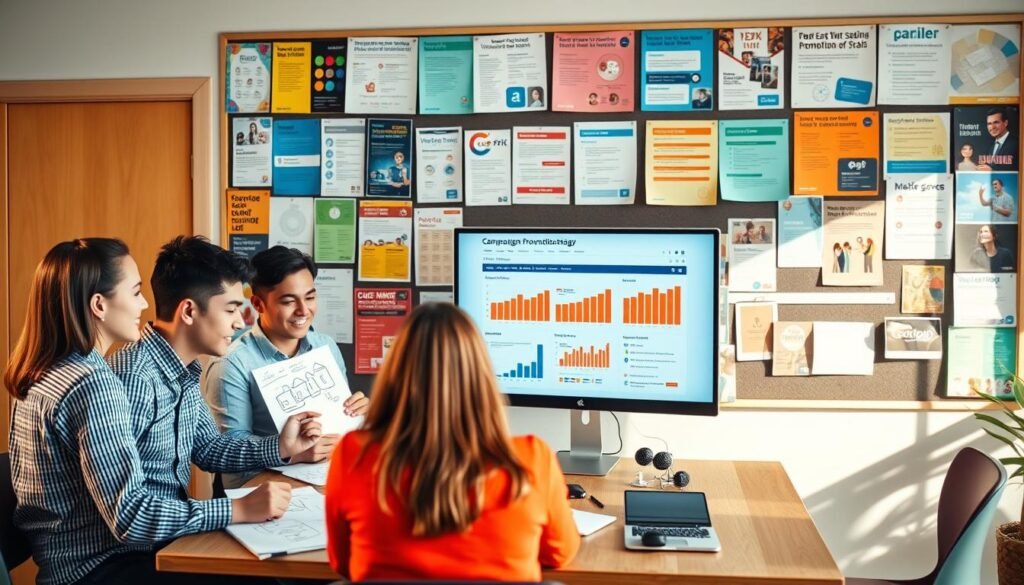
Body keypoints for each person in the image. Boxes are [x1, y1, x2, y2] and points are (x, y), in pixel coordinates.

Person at [6, 238, 317, 585]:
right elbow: (130, 517)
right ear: (99, 305)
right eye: (135, 291)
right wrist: (237, 509)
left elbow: (207, 447)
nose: (143, 304)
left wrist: (281, 447)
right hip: (103, 564)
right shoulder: (109, 383)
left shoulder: (70, 370)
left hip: (122, 552)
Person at [325, 303, 580, 581]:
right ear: (480, 375)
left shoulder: (354, 454)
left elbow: (343, 562)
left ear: (395, 373)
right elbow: (560, 554)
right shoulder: (532, 458)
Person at [203, 245, 369, 488]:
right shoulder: (232, 363)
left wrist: (359, 414)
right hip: (263, 493)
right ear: (258, 304)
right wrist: (293, 455)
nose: (303, 310)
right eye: (289, 301)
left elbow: (340, 424)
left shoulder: (326, 346)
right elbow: (227, 453)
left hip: (326, 481)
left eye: (310, 297)